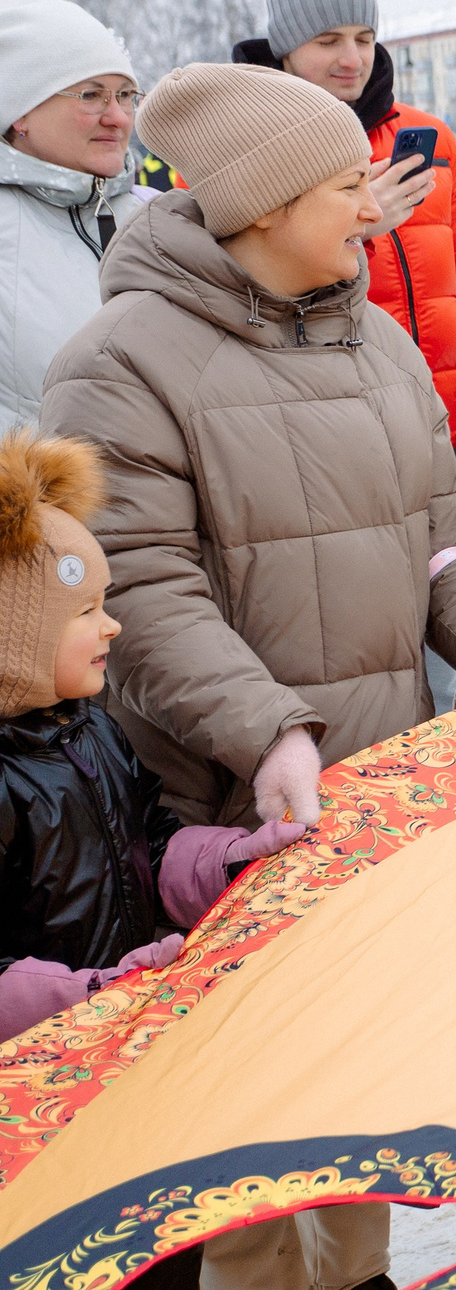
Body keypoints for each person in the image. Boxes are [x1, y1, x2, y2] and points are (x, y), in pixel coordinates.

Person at [39, 62, 456, 833]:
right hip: (238, 807)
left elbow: (440, 547)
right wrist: (266, 730)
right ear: (265, 205)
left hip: (399, 788)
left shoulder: (384, 346)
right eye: (347, 186)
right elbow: (138, 591)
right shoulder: (119, 364)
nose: (371, 207)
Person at [0, 428, 309, 1040]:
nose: (111, 626)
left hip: (129, 1024)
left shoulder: (93, 730)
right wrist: (84, 998)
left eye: (104, 602)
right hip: (44, 1066)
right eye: (84, 612)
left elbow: (150, 841)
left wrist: (231, 863)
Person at [235, 0, 456, 454]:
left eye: (365, 38)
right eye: (328, 41)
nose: (353, 59)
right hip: (333, 445)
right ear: (285, 47)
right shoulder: (236, 149)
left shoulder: (428, 137)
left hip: (450, 433)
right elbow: (239, 305)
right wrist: (356, 225)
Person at [0, 1, 146, 428]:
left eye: (124, 95)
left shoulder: (160, 217)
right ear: (20, 113)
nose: (118, 117)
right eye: (91, 95)